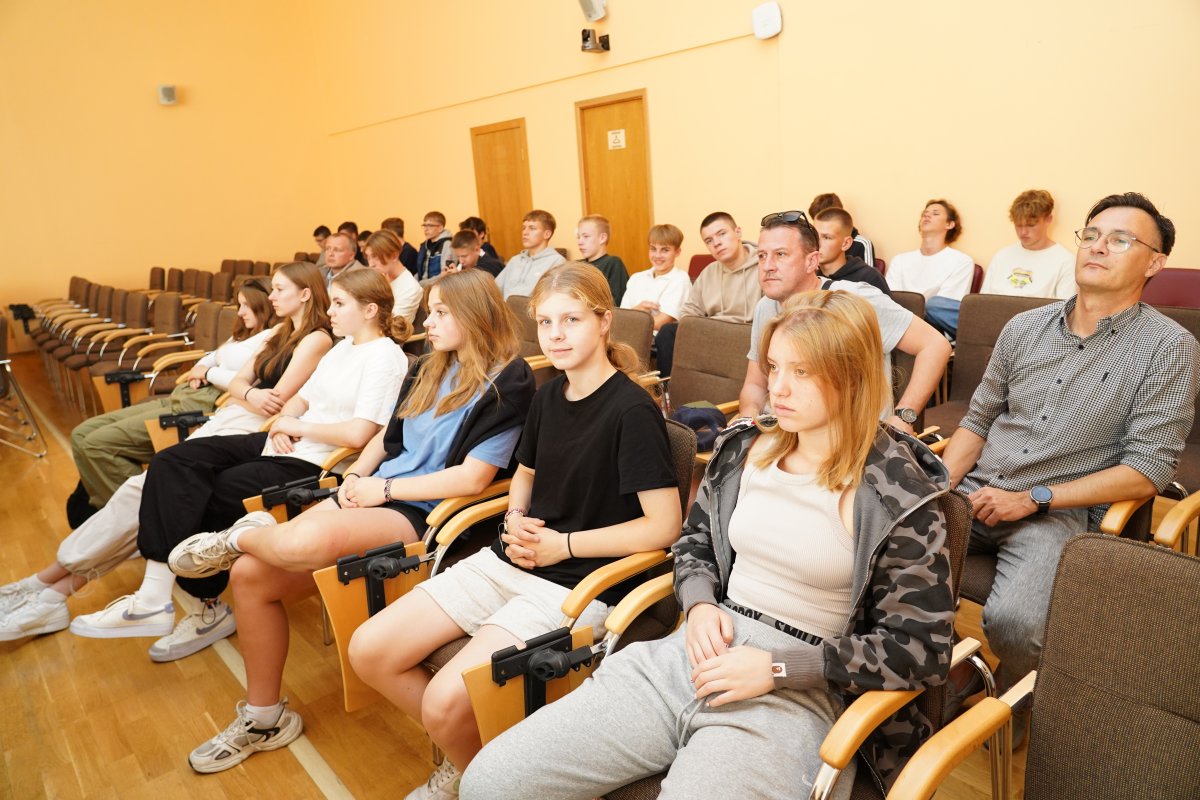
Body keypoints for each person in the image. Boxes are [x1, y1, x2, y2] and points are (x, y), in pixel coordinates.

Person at [461, 290, 956, 799]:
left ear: (852, 376)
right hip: (694, 652)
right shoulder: (744, 449)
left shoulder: (898, 493)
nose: (778, 388)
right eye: (774, 367)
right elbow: (694, 542)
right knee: (489, 783)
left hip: (797, 691)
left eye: (802, 372)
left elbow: (921, 649)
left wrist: (778, 667)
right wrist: (698, 604)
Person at [167, 269, 537, 773]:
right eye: (429, 311)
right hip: (377, 488)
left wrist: (381, 489)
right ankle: (264, 717)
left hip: (427, 512)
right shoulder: (429, 366)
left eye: (440, 313)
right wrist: (357, 474)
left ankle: (240, 536)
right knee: (250, 576)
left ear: (475, 315)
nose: (426, 322)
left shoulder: (509, 381)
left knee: (290, 545)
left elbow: (473, 478)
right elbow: (387, 436)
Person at [348, 262, 682, 800]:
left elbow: (664, 526)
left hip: (578, 582)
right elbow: (525, 473)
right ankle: (481, 770)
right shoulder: (549, 395)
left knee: (442, 701)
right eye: (545, 322)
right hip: (515, 557)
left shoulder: (632, 410)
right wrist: (514, 519)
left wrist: (561, 545)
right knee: (368, 650)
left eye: (571, 320)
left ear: (604, 322)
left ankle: (485, 779)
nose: (555, 335)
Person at [939, 192, 1199, 745]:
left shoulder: (1168, 348)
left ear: (1154, 263)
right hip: (980, 489)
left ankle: (1017, 698)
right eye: (1093, 234)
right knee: (881, 559)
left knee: (1018, 624)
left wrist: (1033, 498)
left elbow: (1148, 469)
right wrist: (938, 490)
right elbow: (978, 420)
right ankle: (951, 674)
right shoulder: (1023, 328)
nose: (1099, 247)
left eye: (1120, 240)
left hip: (1055, 510)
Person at [66, 270, 408, 661]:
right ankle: (154, 596)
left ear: (370, 310)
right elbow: (301, 399)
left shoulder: (385, 358)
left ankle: (199, 606)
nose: (329, 311)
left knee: (207, 494)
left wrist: (295, 426)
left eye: (340, 304)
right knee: (171, 462)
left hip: (316, 463)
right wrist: (284, 421)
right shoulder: (342, 348)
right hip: (283, 442)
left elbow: (361, 433)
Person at [0, 264, 335, 647]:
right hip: (230, 419)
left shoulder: (317, 339)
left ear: (305, 293)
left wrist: (244, 391)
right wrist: (245, 391)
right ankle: (49, 590)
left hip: (252, 431)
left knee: (145, 492)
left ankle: (48, 588)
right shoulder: (279, 333)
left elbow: (272, 400)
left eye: (279, 289)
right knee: (140, 491)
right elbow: (241, 383)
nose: (271, 296)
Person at [67, 279, 275, 512]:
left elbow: (244, 381)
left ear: (263, 304)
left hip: (204, 403)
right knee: (81, 433)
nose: (240, 312)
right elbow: (211, 357)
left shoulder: (272, 337)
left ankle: (134, 514)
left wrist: (208, 373)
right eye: (239, 305)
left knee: (96, 445)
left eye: (246, 305)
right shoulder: (245, 333)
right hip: (185, 394)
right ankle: (110, 512)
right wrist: (201, 368)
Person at [738, 211, 951, 435]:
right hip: (785, 431)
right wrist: (746, 423)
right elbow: (755, 384)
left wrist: (903, 417)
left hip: (849, 437)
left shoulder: (854, 300)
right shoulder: (765, 306)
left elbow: (936, 345)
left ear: (812, 261)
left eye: (780, 254)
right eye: (762, 256)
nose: (767, 266)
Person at [655, 212, 760, 376]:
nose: (716, 243)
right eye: (709, 241)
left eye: (722, 234)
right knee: (668, 332)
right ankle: (669, 387)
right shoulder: (708, 272)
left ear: (738, 232)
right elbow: (689, 312)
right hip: (713, 333)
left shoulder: (764, 266)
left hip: (747, 335)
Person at [885, 199, 975, 338]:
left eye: (935, 213)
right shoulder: (900, 260)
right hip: (898, 324)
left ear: (949, 224)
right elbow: (890, 298)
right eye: (924, 214)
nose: (927, 215)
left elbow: (943, 308)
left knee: (934, 305)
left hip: (934, 329)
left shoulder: (962, 261)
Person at [980, 189, 1076, 299]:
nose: (1023, 232)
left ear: (1048, 219)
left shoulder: (1066, 261)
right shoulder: (1001, 256)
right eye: (1018, 225)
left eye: (1031, 225)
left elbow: (1065, 307)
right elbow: (983, 302)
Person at [619, 223, 692, 332]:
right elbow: (620, 319)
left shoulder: (680, 279)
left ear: (677, 252)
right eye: (653, 249)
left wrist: (633, 316)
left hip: (656, 340)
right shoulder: (636, 278)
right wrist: (636, 312)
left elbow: (660, 323)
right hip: (629, 335)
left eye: (665, 250)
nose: (657, 256)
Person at [812, 208, 891, 295]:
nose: (816, 243)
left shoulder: (869, 278)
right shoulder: (810, 276)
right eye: (814, 235)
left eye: (827, 237)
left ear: (846, 243)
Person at [494, 210, 567, 299]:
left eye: (532, 228)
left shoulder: (557, 262)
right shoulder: (515, 260)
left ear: (547, 234)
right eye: (524, 228)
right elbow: (493, 289)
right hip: (504, 307)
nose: (525, 232)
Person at [365, 229, 424, 323]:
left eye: (375, 257)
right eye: (368, 257)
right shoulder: (379, 277)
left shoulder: (410, 288)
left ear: (394, 256)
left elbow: (394, 326)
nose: (371, 264)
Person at [809, 192, 875, 266]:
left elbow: (868, 272)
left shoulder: (862, 244)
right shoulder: (810, 241)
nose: (819, 244)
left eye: (827, 237)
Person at [576, 215, 628, 304]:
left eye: (586, 236)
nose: (579, 242)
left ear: (602, 238)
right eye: (578, 237)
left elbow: (617, 302)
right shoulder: (577, 266)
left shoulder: (613, 263)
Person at [417, 212, 454, 281]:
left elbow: (446, 275)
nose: (426, 229)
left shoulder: (448, 244)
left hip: (439, 285)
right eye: (424, 225)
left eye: (430, 226)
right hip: (424, 285)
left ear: (440, 228)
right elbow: (420, 272)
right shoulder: (425, 245)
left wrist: (422, 284)